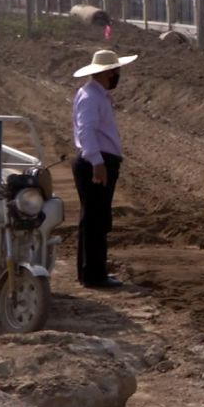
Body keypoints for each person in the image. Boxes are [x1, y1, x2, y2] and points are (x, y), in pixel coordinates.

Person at [71, 49, 138, 289]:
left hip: (97, 160)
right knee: (95, 219)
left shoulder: (94, 94)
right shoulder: (92, 97)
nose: (118, 75)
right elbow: (86, 131)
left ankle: (92, 272)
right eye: (117, 71)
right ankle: (93, 275)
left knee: (95, 218)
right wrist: (97, 162)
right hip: (95, 162)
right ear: (108, 72)